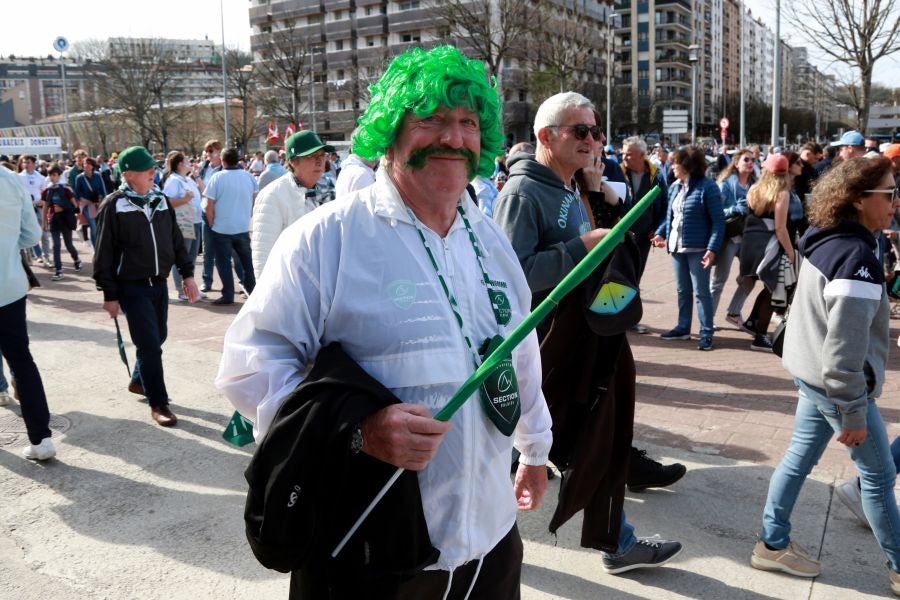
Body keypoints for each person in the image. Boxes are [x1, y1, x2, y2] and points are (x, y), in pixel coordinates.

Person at [216, 45, 552, 599]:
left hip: (490, 539)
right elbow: (252, 365)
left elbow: (518, 356)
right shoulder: (327, 239)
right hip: (372, 545)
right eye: (432, 119)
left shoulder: (489, 240)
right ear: (391, 130)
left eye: (468, 121)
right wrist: (356, 431)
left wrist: (535, 449)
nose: (453, 136)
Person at [493, 91, 683, 575]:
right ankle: (612, 541)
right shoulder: (522, 193)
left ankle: (613, 536)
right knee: (571, 440)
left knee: (585, 436)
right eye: (581, 131)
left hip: (580, 337)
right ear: (545, 136)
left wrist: (596, 199)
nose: (593, 140)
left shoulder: (567, 185)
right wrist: (581, 245)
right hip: (547, 346)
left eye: (596, 131)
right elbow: (512, 274)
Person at [751, 157, 900, 597]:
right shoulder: (857, 259)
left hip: (810, 373)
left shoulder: (825, 235)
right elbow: (843, 354)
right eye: (888, 194)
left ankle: (771, 543)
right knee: (877, 475)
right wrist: (854, 411)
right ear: (857, 199)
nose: (895, 203)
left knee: (799, 458)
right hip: (836, 384)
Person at [93, 146, 199, 427]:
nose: (153, 172)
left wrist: (188, 274)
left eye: (153, 168)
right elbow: (103, 252)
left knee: (158, 336)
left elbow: (175, 240)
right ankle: (158, 402)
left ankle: (139, 381)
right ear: (127, 174)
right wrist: (109, 294)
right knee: (150, 345)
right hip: (131, 286)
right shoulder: (114, 205)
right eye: (146, 169)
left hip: (159, 283)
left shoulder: (160, 199)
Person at [0, 163, 55, 460]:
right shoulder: (10, 179)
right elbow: (32, 235)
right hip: (8, 284)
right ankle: (41, 438)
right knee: (21, 360)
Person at [651, 146, 725, 351]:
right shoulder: (675, 186)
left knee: (702, 293)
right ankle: (683, 328)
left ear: (687, 165)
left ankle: (706, 332)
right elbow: (671, 217)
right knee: (683, 290)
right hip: (677, 247)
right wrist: (660, 233)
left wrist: (712, 248)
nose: (672, 166)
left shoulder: (707, 187)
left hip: (699, 249)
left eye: (676, 162)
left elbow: (718, 222)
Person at [251, 131, 334, 275]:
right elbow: (262, 256)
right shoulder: (272, 195)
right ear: (293, 161)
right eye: (311, 156)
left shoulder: (330, 188)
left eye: (322, 155)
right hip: (289, 287)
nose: (320, 161)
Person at [737, 154, 796, 352]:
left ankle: (754, 322)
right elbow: (780, 227)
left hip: (751, 244)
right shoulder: (782, 193)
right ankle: (760, 337)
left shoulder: (754, 189)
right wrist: (790, 252)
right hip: (770, 245)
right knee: (774, 289)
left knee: (768, 288)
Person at [618, 136, 669, 333]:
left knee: (635, 277)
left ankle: (629, 319)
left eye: (628, 153)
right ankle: (617, 318)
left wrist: (658, 230)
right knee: (619, 275)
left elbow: (664, 206)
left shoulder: (656, 175)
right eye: (623, 152)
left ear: (641, 155)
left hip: (643, 238)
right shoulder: (618, 172)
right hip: (620, 237)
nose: (624, 157)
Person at [203, 148, 257, 306]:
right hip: (242, 226)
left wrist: (211, 222)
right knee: (247, 262)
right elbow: (255, 198)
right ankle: (252, 290)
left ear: (222, 160)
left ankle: (228, 294)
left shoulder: (217, 177)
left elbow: (208, 205)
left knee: (223, 262)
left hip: (222, 228)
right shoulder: (248, 176)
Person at [712, 148, 756, 328]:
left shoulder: (756, 184)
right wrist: (733, 209)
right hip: (730, 238)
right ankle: (708, 319)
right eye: (746, 159)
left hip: (748, 238)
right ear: (736, 163)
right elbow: (715, 211)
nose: (750, 162)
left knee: (751, 277)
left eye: (753, 160)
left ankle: (734, 312)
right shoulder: (726, 184)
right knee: (719, 280)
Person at [162, 152, 205, 302]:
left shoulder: (187, 179)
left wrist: (197, 176)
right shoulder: (173, 181)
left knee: (191, 257)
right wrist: (184, 199)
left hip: (195, 221)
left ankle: (191, 288)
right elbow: (166, 202)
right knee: (182, 257)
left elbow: (203, 190)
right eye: (186, 160)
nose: (189, 162)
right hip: (183, 224)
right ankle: (181, 290)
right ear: (180, 164)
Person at [40, 165, 82, 281]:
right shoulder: (47, 191)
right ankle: (59, 270)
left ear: (59, 176)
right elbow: (45, 208)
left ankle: (77, 260)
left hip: (65, 220)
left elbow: (76, 207)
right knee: (56, 245)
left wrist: (64, 208)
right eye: (50, 175)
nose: (52, 177)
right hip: (54, 220)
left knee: (69, 245)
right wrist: (44, 222)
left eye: (54, 175)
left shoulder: (66, 189)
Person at [198, 139, 224, 294]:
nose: (209, 154)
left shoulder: (224, 168)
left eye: (212, 151)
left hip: (220, 212)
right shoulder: (204, 168)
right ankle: (206, 281)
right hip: (204, 210)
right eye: (207, 151)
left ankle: (240, 282)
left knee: (226, 250)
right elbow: (201, 191)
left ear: (220, 152)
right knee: (207, 249)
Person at [17, 155, 49, 266]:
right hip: (26, 209)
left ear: (34, 164)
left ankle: (46, 257)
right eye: (24, 162)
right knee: (30, 232)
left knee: (44, 233)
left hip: (39, 208)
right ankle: (37, 255)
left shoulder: (41, 177)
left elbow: (45, 192)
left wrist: (43, 202)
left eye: (28, 162)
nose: (26, 164)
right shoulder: (18, 177)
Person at [74, 157, 107, 248]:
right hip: (86, 205)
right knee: (93, 227)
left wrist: (103, 199)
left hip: (98, 203)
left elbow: (103, 190)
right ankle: (96, 249)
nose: (87, 165)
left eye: (89, 164)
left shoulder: (98, 175)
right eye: (85, 164)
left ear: (93, 166)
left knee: (100, 226)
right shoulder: (79, 178)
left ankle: (100, 246)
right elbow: (77, 193)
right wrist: (77, 208)